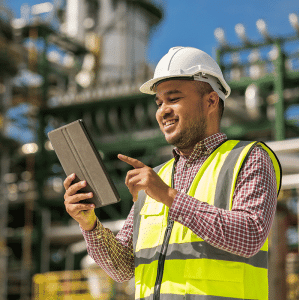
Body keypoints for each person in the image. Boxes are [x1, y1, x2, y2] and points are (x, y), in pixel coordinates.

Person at [64, 46, 282, 300]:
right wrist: (89, 224)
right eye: (159, 102)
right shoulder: (157, 177)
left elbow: (249, 235)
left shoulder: (249, 158)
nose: (162, 111)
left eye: (174, 99)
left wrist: (169, 196)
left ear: (211, 101)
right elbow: (123, 268)